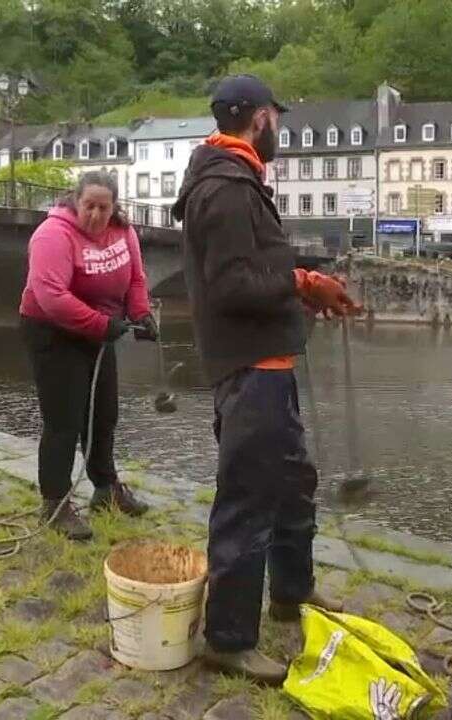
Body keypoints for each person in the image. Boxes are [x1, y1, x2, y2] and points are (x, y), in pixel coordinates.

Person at [172, 75, 362, 683]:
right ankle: (228, 639)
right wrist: (302, 283)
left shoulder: (239, 179)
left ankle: (291, 592)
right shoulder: (226, 190)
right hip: (249, 367)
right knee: (247, 498)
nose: (279, 128)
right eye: (277, 118)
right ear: (259, 119)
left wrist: (300, 282)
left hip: (267, 364)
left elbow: (256, 269)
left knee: (291, 482)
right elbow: (234, 288)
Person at [19, 170, 158, 541]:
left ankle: (105, 487)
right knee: (64, 420)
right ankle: (55, 503)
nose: (95, 215)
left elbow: (136, 279)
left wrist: (141, 313)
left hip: (97, 328)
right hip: (53, 330)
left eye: (103, 207)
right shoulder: (53, 234)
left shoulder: (123, 231)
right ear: (75, 202)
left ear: (114, 207)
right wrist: (100, 324)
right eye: (89, 206)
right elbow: (51, 296)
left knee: (103, 413)